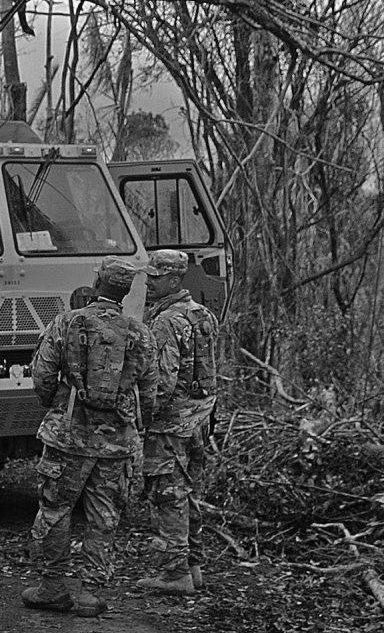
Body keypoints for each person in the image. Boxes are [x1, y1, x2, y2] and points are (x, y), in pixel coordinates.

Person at [21, 257, 157, 617]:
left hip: (69, 437)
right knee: (104, 516)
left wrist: (55, 404)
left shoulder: (67, 322)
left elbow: (42, 374)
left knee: (56, 509)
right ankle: (91, 594)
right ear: (125, 292)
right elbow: (152, 391)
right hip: (117, 442)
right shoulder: (140, 333)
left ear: (98, 284)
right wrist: (135, 424)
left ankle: (52, 586)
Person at [136, 250, 220, 596]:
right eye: (149, 277)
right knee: (189, 493)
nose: (150, 283)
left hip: (172, 423)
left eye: (156, 278)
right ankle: (193, 567)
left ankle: (174, 573)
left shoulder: (165, 321)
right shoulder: (203, 315)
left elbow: (163, 380)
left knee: (167, 493)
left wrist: (144, 418)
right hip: (200, 417)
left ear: (175, 279)